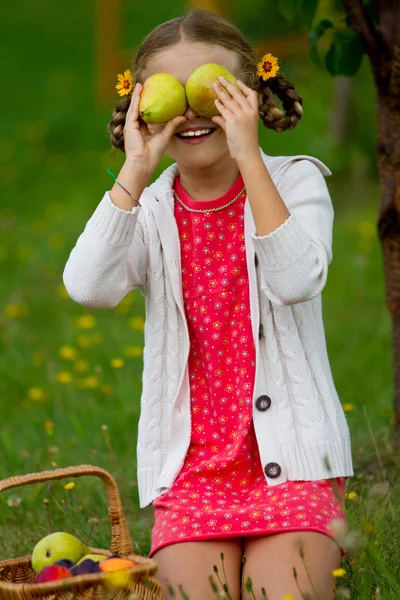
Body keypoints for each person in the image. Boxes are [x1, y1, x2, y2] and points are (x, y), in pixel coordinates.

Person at [63, 9, 354, 600]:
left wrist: (251, 158)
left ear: (248, 97)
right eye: (176, 97)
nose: (193, 114)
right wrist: (137, 167)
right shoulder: (148, 210)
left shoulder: (296, 182)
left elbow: (298, 278)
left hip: (292, 463)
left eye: (214, 93)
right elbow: (89, 287)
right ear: (145, 108)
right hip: (193, 473)